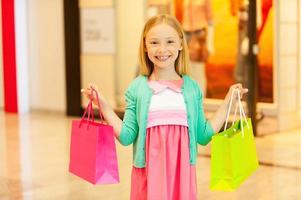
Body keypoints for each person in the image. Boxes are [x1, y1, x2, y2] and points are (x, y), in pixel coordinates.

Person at [82, 14, 248, 200]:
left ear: (180, 44)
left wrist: (229, 100)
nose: (162, 49)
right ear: (145, 46)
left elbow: (203, 135)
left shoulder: (192, 89)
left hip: (182, 177)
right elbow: (127, 136)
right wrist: (102, 104)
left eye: (169, 41)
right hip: (148, 176)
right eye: (154, 42)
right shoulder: (137, 88)